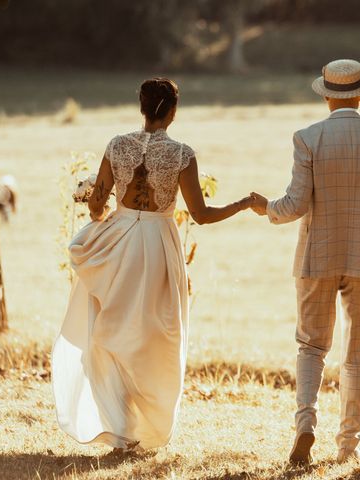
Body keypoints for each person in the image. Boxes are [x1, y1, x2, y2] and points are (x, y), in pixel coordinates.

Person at [52, 77, 252, 452]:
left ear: (142, 108)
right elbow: (202, 215)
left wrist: (92, 199)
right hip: (158, 245)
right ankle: (143, 425)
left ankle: (121, 425)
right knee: (156, 334)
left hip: (118, 242)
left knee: (111, 327)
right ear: (172, 112)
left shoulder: (116, 145)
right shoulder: (182, 155)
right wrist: (242, 204)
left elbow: (97, 208)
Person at [250, 59, 360, 465]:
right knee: (357, 350)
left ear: (327, 95)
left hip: (317, 254)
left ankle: (306, 424)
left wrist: (265, 208)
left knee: (311, 345)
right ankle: (348, 443)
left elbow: (294, 205)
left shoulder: (308, 138)